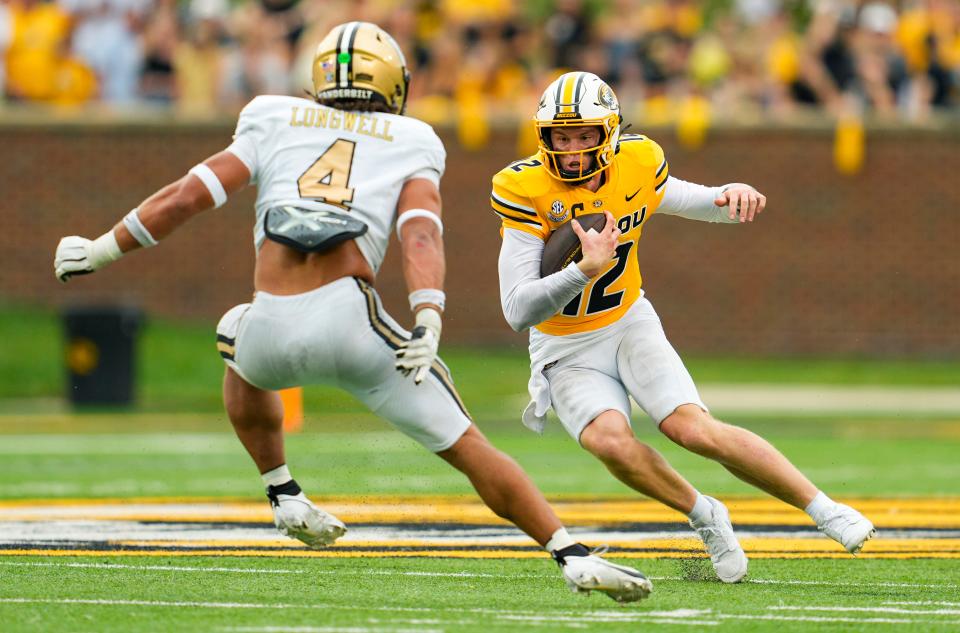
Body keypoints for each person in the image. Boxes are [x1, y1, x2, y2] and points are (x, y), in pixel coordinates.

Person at [52, 22, 653, 603]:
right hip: (353, 324)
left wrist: (102, 247)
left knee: (234, 334)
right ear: (394, 84)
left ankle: (282, 491)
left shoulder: (271, 115)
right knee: (471, 448)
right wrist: (428, 314)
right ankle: (570, 554)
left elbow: (187, 196)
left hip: (270, 325)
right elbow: (420, 233)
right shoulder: (411, 138)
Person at [491, 70, 876, 583]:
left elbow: (672, 196)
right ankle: (704, 514)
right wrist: (581, 270)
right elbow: (517, 311)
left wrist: (725, 197)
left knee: (692, 429)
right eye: (562, 136)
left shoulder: (638, 161)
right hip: (565, 343)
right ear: (545, 137)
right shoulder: (523, 188)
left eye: (585, 135)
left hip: (628, 320)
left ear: (609, 132)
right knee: (609, 442)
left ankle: (824, 509)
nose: (573, 149)